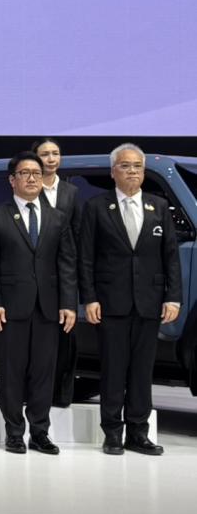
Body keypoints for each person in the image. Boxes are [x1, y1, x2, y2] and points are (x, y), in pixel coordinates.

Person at [79, 143, 182, 455]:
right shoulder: (96, 207)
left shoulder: (158, 206)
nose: (132, 171)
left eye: (137, 166)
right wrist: (90, 298)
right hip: (111, 302)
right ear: (113, 172)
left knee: (141, 371)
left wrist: (173, 297)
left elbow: (171, 256)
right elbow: (86, 257)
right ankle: (112, 433)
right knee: (113, 369)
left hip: (149, 302)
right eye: (125, 166)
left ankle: (139, 433)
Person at [0, 152, 77, 455]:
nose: (32, 178)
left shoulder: (57, 218)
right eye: (25, 173)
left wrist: (69, 303)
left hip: (48, 308)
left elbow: (67, 264)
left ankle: (40, 433)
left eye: (37, 173)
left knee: (44, 373)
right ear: (12, 180)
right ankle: (13, 433)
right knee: (12, 373)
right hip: (10, 309)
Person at [33, 137, 83, 406]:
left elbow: (77, 233)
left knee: (65, 337)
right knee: (37, 338)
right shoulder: (27, 188)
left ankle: (61, 396)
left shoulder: (70, 192)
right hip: (34, 272)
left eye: (55, 153)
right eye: (45, 154)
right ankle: (35, 395)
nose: (51, 159)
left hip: (64, 274)